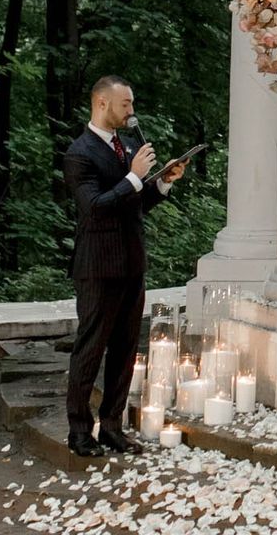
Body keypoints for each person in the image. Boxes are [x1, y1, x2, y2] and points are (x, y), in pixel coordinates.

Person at [62, 74, 189, 458]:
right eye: (125, 104)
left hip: (132, 263)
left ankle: (112, 427)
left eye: (132, 104)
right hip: (98, 267)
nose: (131, 111)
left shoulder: (127, 145)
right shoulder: (79, 153)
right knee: (90, 348)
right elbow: (96, 207)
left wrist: (160, 183)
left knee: (125, 350)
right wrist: (134, 176)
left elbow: (133, 203)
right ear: (101, 103)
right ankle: (79, 431)